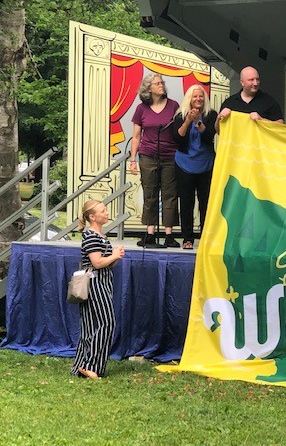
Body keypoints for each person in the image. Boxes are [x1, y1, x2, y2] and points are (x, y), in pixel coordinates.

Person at [71, 200, 125, 380]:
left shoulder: (99, 235)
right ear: (93, 217)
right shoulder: (92, 236)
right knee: (105, 323)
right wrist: (114, 256)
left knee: (89, 326)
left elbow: (104, 262)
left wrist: (115, 257)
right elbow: (97, 262)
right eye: (103, 211)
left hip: (101, 280)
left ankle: (81, 365)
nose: (107, 212)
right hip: (95, 284)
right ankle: (91, 366)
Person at [130, 74, 180, 248]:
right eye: (157, 83)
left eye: (162, 83)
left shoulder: (173, 105)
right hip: (148, 155)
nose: (161, 85)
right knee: (149, 194)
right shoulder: (141, 109)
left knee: (170, 194)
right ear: (148, 88)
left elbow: (180, 130)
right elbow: (136, 137)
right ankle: (150, 233)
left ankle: (169, 234)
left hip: (170, 156)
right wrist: (132, 160)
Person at [170, 85, 217, 250]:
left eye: (201, 96)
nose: (198, 99)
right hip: (184, 164)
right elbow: (178, 138)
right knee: (186, 202)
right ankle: (187, 238)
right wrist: (189, 120)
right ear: (189, 98)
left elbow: (209, 136)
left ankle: (205, 238)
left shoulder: (211, 115)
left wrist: (198, 121)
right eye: (195, 96)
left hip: (206, 164)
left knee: (206, 202)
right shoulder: (180, 115)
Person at [215, 66, 283, 131]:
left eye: (257, 79)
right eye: (251, 80)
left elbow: (280, 126)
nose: (255, 83)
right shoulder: (230, 103)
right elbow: (219, 131)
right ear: (242, 82)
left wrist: (261, 120)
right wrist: (219, 117)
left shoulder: (269, 101)